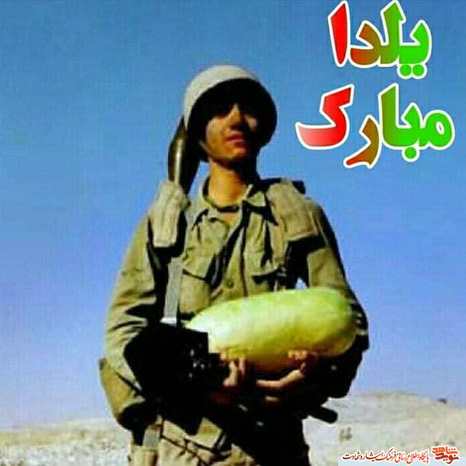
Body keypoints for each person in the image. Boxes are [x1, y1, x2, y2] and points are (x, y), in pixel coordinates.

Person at [101, 65, 369, 466]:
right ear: (196, 133)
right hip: (185, 447)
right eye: (220, 109)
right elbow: (123, 331)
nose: (237, 119)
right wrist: (195, 381)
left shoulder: (298, 215)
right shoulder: (167, 224)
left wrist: (312, 378)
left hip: (274, 448)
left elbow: (349, 322)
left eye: (248, 108)